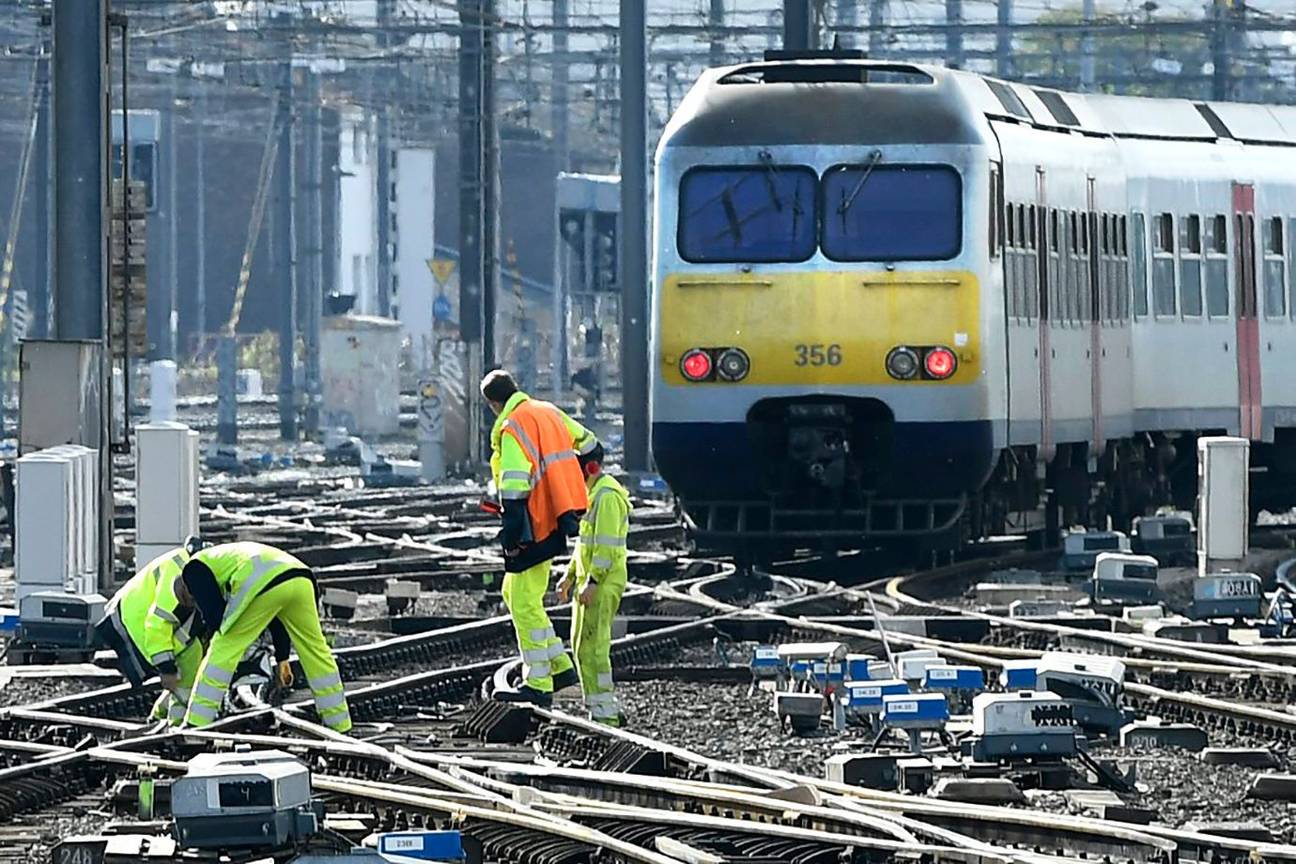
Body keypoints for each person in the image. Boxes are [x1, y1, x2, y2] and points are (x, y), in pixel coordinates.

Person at [481, 368, 597, 707]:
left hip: (533, 522)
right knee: (514, 592)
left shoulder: (513, 425)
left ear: (492, 403)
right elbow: (591, 445)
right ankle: (559, 666)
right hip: (556, 517)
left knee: (523, 602)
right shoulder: (548, 411)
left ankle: (539, 682)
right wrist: (567, 488)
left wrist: (512, 529)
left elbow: (516, 484)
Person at [179, 541, 351, 733]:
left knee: (224, 646)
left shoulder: (193, 568)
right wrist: (282, 658)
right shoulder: (229, 557)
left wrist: (210, 637)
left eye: (191, 598)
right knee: (317, 652)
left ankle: (196, 722)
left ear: (186, 589)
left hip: (262, 581)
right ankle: (339, 724)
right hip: (300, 577)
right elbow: (277, 617)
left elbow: (215, 616)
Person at [557, 442, 630, 726]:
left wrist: (594, 581)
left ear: (590, 468)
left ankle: (607, 712)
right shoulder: (592, 495)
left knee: (596, 648)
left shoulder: (607, 497)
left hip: (603, 583)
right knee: (579, 645)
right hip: (588, 583)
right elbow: (584, 545)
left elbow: (606, 547)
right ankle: (596, 708)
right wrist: (570, 575)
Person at [95, 537, 204, 725]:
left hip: (133, 619)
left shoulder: (182, 563)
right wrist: (167, 669)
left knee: (188, 672)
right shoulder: (180, 579)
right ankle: (176, 727)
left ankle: (162, 720)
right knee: (184, 678)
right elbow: (157, 625)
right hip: (135, 627)